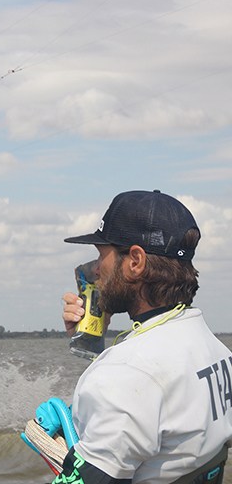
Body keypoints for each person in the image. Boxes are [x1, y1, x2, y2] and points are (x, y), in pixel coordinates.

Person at [57, 190, 231, 483]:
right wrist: (92, 337)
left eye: (102, 256)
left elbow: (132, 386)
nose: (96, 270)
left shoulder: (125, 373)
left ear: (135, 261)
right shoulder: (215, 350)